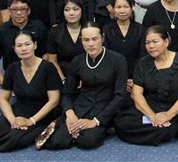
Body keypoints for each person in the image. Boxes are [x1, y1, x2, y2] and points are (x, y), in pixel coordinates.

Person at [41, 22, 128, 150]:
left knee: (88, 140)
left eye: (95, 39)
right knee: (57, 142)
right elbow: (67, 92)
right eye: (86, 40)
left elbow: (120, 95)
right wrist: (70, 114)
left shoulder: (118, 60)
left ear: (102, 38)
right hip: (82, 105)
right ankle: (63, 122)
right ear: (81, 41)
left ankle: (105, 127)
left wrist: (95, 121)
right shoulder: (77, 61)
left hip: (105, 108)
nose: (91, 44)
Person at [0, 31, 61, 152]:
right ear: (14, 48)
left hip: (41, 113)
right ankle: (3, 121)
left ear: (35, 45)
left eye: (27, 44)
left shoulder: (48, 67)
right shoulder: (12, 68)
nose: (23, 48)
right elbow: (3, 98)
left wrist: (30, 121)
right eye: (19, 45)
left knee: (12, 140)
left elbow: (54, 100)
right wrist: (12, 119)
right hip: (19, 109)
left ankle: (44, 129)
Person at [115, 25, 178, 146]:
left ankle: (155, 130)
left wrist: (168, 115)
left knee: (165, 129)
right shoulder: (142, 63)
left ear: (166, 41)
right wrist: (152, 116)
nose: (151, 46)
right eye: (147, 43)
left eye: (155, 42)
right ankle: (154, 128)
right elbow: (137, 94)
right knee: (122, 123)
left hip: (173, 109)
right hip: (148, 108)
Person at [0, 0, 48, 85]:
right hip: (12, 79)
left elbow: (46, 54)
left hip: (37, 77)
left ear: (29, 11)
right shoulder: (1, 31)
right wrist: (3, 83)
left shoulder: (39, 27)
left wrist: (42, 74)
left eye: (23, 9)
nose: (19, 13)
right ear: (9, 11)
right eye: (14, 9)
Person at [102, 0, 145, 90]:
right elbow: (106, 57)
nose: (122, 10)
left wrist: (136, 80)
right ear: (113, 9)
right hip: (112, 79)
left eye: (126, 6)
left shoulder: (140, 29)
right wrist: (120, 80)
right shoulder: (107, 29)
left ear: (132, 8)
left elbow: (143, 57)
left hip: (136, 79)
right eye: (118, 7)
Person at [45, 0, 86, 80]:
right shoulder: (54, 31)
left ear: (82, 10)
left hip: (87, 75)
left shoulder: (89, 30)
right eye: (67, 10)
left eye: (75, 9)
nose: (71, 13)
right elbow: (52, 61)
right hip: (61, 75)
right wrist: (63, 80)